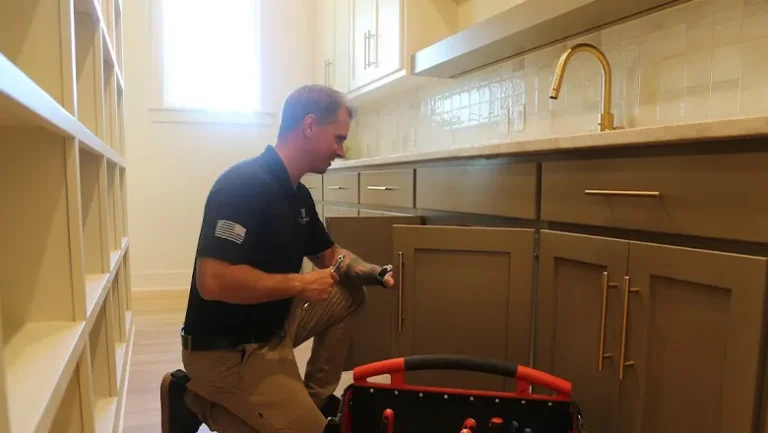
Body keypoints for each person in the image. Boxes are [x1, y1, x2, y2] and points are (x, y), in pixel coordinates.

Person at [160, 84, 395, 433]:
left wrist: (374, 272)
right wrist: (299, 284)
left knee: (348, 294)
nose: (341, 151)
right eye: (338, 138)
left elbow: (331, 256)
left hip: (273, 331)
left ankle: (313, 400)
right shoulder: (242, 185)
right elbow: (212, 281)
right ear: (310, 125)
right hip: (226, 351)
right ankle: (193, 398)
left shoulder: (297, 196)